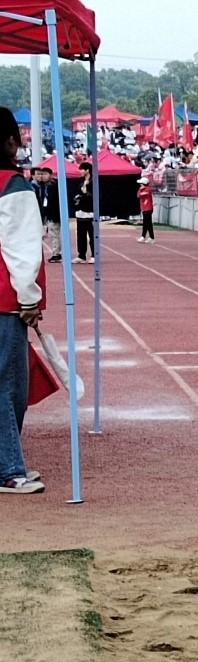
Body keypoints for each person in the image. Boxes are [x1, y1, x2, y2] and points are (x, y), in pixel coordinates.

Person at [0, 107, 47, 493]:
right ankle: (7, 468)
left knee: (13, 384)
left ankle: (8, 461)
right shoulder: (13, 185)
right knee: (8, 385)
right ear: (10, 143)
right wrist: (29, 298)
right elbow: (22, 246)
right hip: (5, 300)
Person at [32, 168, 61, 263]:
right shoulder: (42, 186)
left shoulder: (54, 186)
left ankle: (57, 253)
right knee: (49, 233)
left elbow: (54, 201)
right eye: (41, 174)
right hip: (45, 213)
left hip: (53, 214)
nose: (42, 176)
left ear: (50, 175)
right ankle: (55, 252)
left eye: (45, 174)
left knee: (54, 233)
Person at [72, 162, 94, 264]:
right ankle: (81, 255)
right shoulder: (80, 182)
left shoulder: (93, 181)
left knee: (92, 234)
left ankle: (94, 255)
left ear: (87, 170)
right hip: (80, 211)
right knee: (80, 234)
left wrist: (86, 193)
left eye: (81, 169)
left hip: (90, 211)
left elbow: (95, 196)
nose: (80, 172)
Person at [136, 176, 155, 243]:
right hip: (145, 208)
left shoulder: (148, 190)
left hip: (148, 208)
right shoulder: (144, 189)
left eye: (141, 183)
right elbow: (138, 195)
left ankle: (143, 236)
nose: (140, 185)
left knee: (146, 223)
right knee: (148, 223)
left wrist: (141, 189)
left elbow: (139, 195)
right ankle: (151, 237)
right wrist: (141, 189)